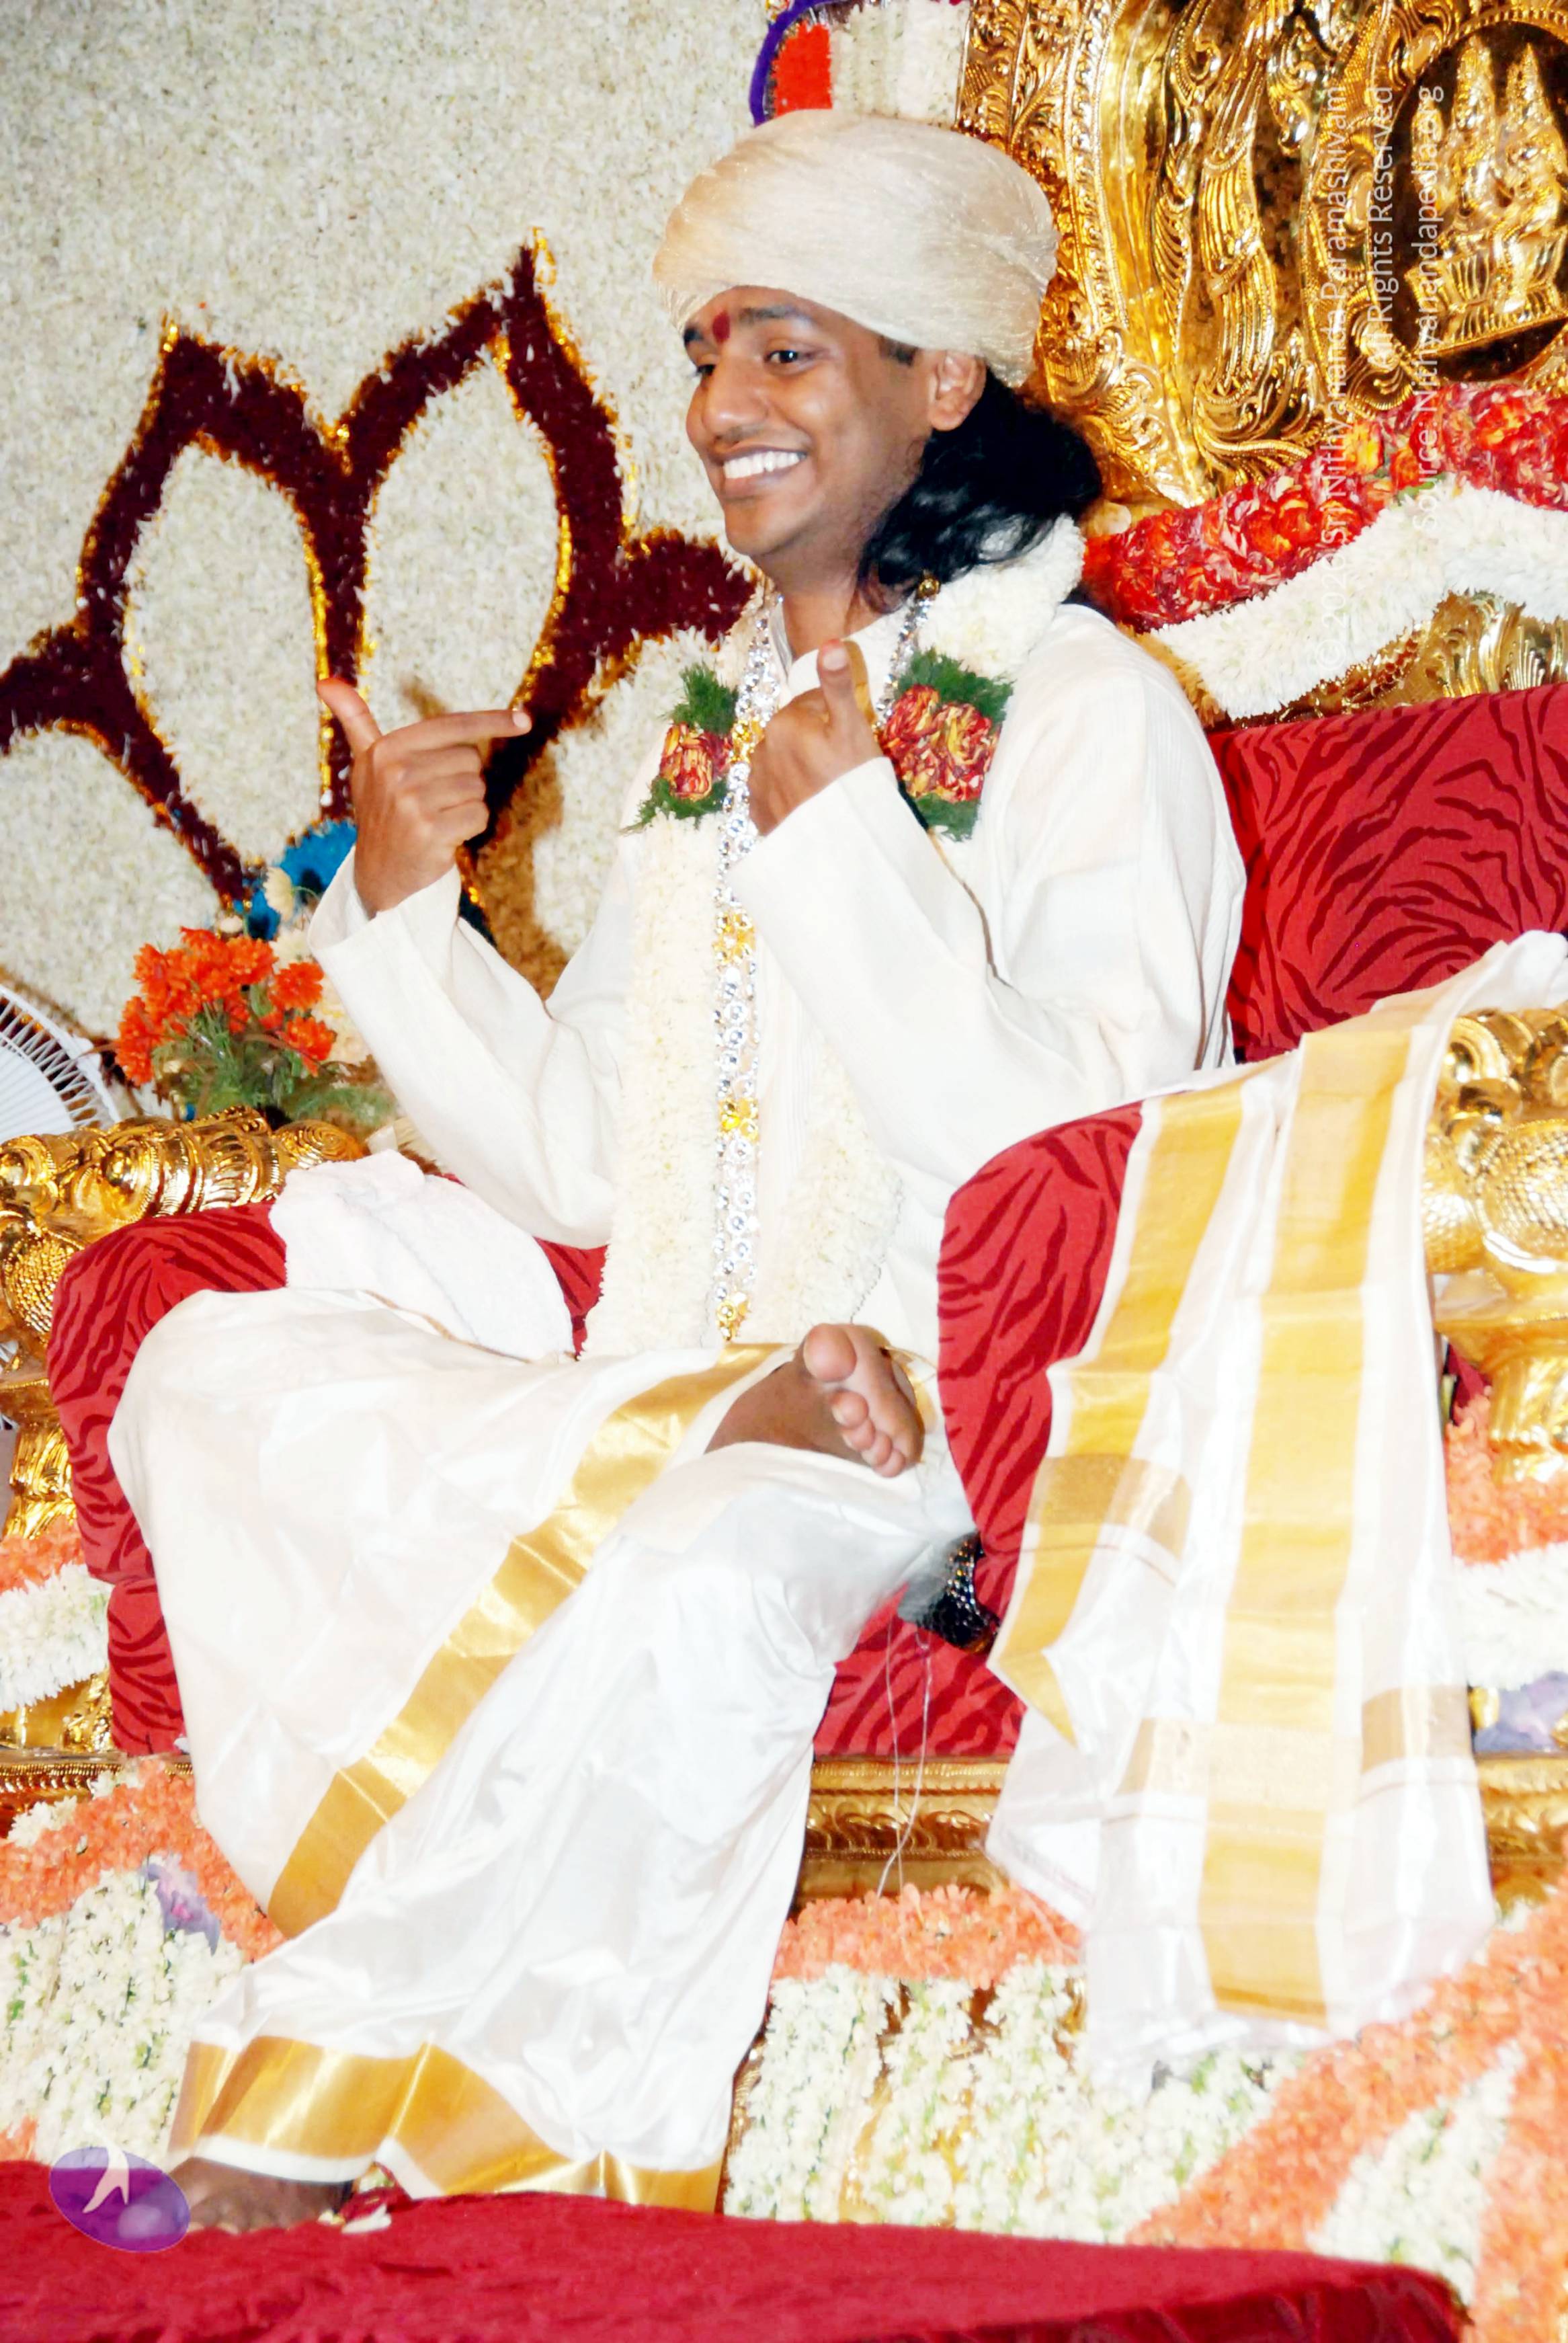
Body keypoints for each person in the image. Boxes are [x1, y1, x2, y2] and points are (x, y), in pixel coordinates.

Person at [104, 108, 1243, 2229]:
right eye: (710, 352)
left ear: (943, 376)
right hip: (672, 1381)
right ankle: (703, 1414)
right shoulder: (708, 735)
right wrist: (411, 913)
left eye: (786, 350)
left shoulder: (1088, 716)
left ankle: (390, 2101)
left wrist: (851, 850)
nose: (720, 407)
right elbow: (578, 1160)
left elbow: (1085, 1162)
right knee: (208, 1376)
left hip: (933, 1427)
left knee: (710, 1566)